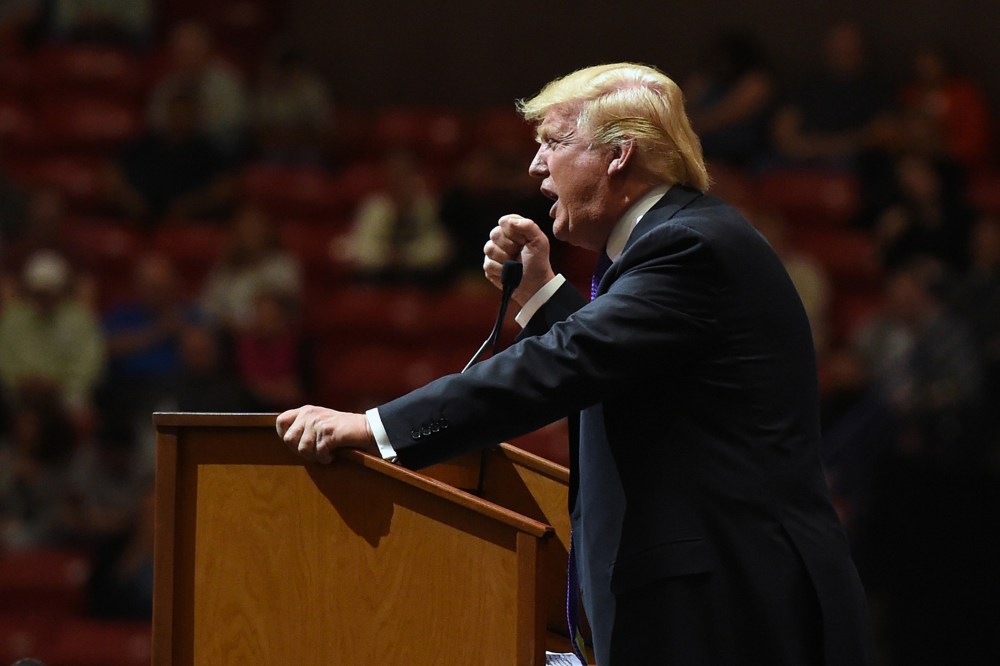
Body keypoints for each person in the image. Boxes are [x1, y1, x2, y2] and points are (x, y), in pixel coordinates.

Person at [278, 63, 872, 665]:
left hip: (735, 606)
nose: (536, 167)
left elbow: (567, 363)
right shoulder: (677, 244)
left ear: (619, 155)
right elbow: (624, 371)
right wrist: (542, 296)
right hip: (721, 599)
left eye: (554, 143)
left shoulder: (690, 246)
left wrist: (376, 428)